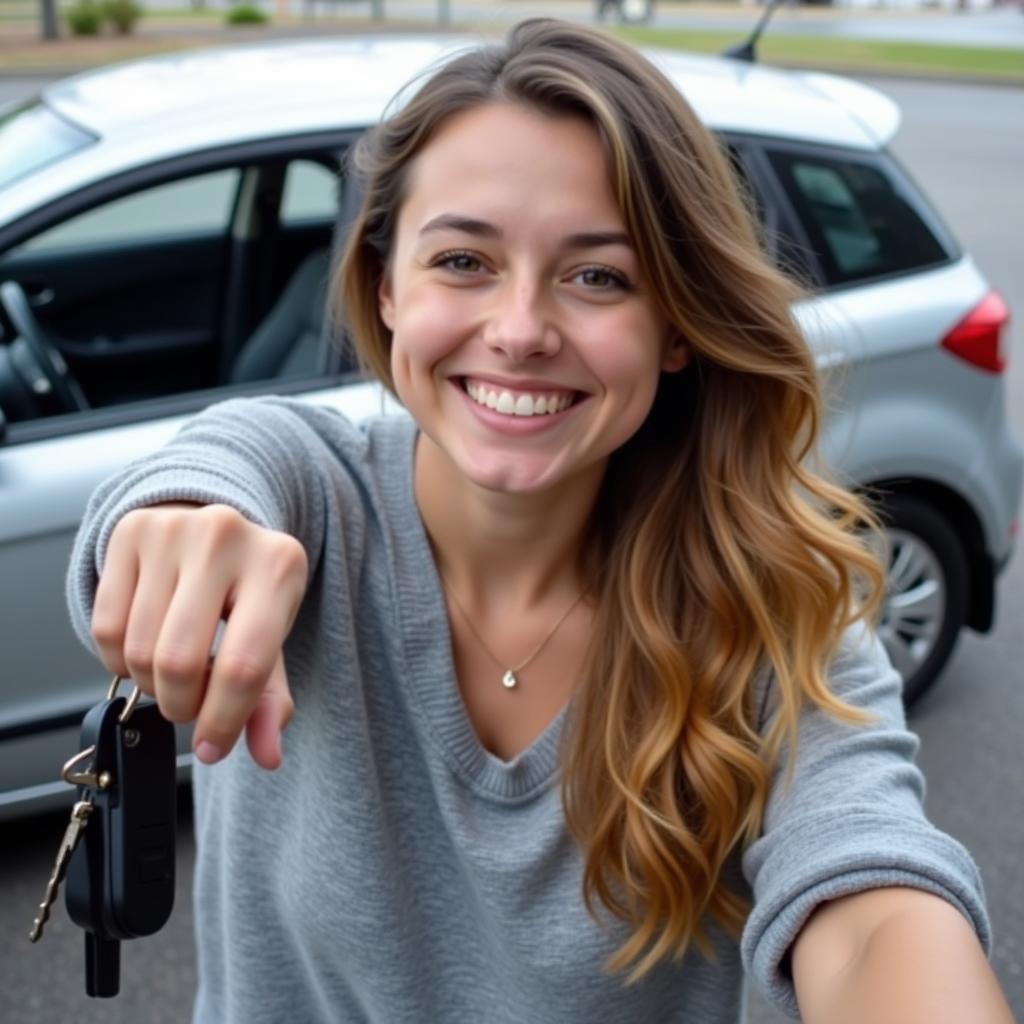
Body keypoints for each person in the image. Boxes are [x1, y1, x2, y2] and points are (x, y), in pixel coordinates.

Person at [66, 19, 1012, 1024]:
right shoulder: (310, 496)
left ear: (677, 325)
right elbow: (218, 468)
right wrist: (172, 523)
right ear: (387, 287)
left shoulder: (778, 610)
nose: (519, 330)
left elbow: (871, 900)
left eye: (598, 275)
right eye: (463, 260)